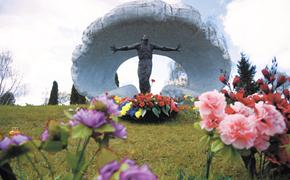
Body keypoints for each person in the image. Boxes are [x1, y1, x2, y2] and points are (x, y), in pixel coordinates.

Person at [111, 35, 180, 93]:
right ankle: (142, 94)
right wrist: (117, 49)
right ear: (142, 40)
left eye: (146, 40)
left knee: (146, 78)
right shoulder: (138, 45)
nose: (145, 41)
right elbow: (127, 47)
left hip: (148, 62)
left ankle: (148, 93)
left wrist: (174, 49)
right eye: (144, 40)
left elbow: (162, 48)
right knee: (141, 79)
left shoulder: (151, 45)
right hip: (141, 62)